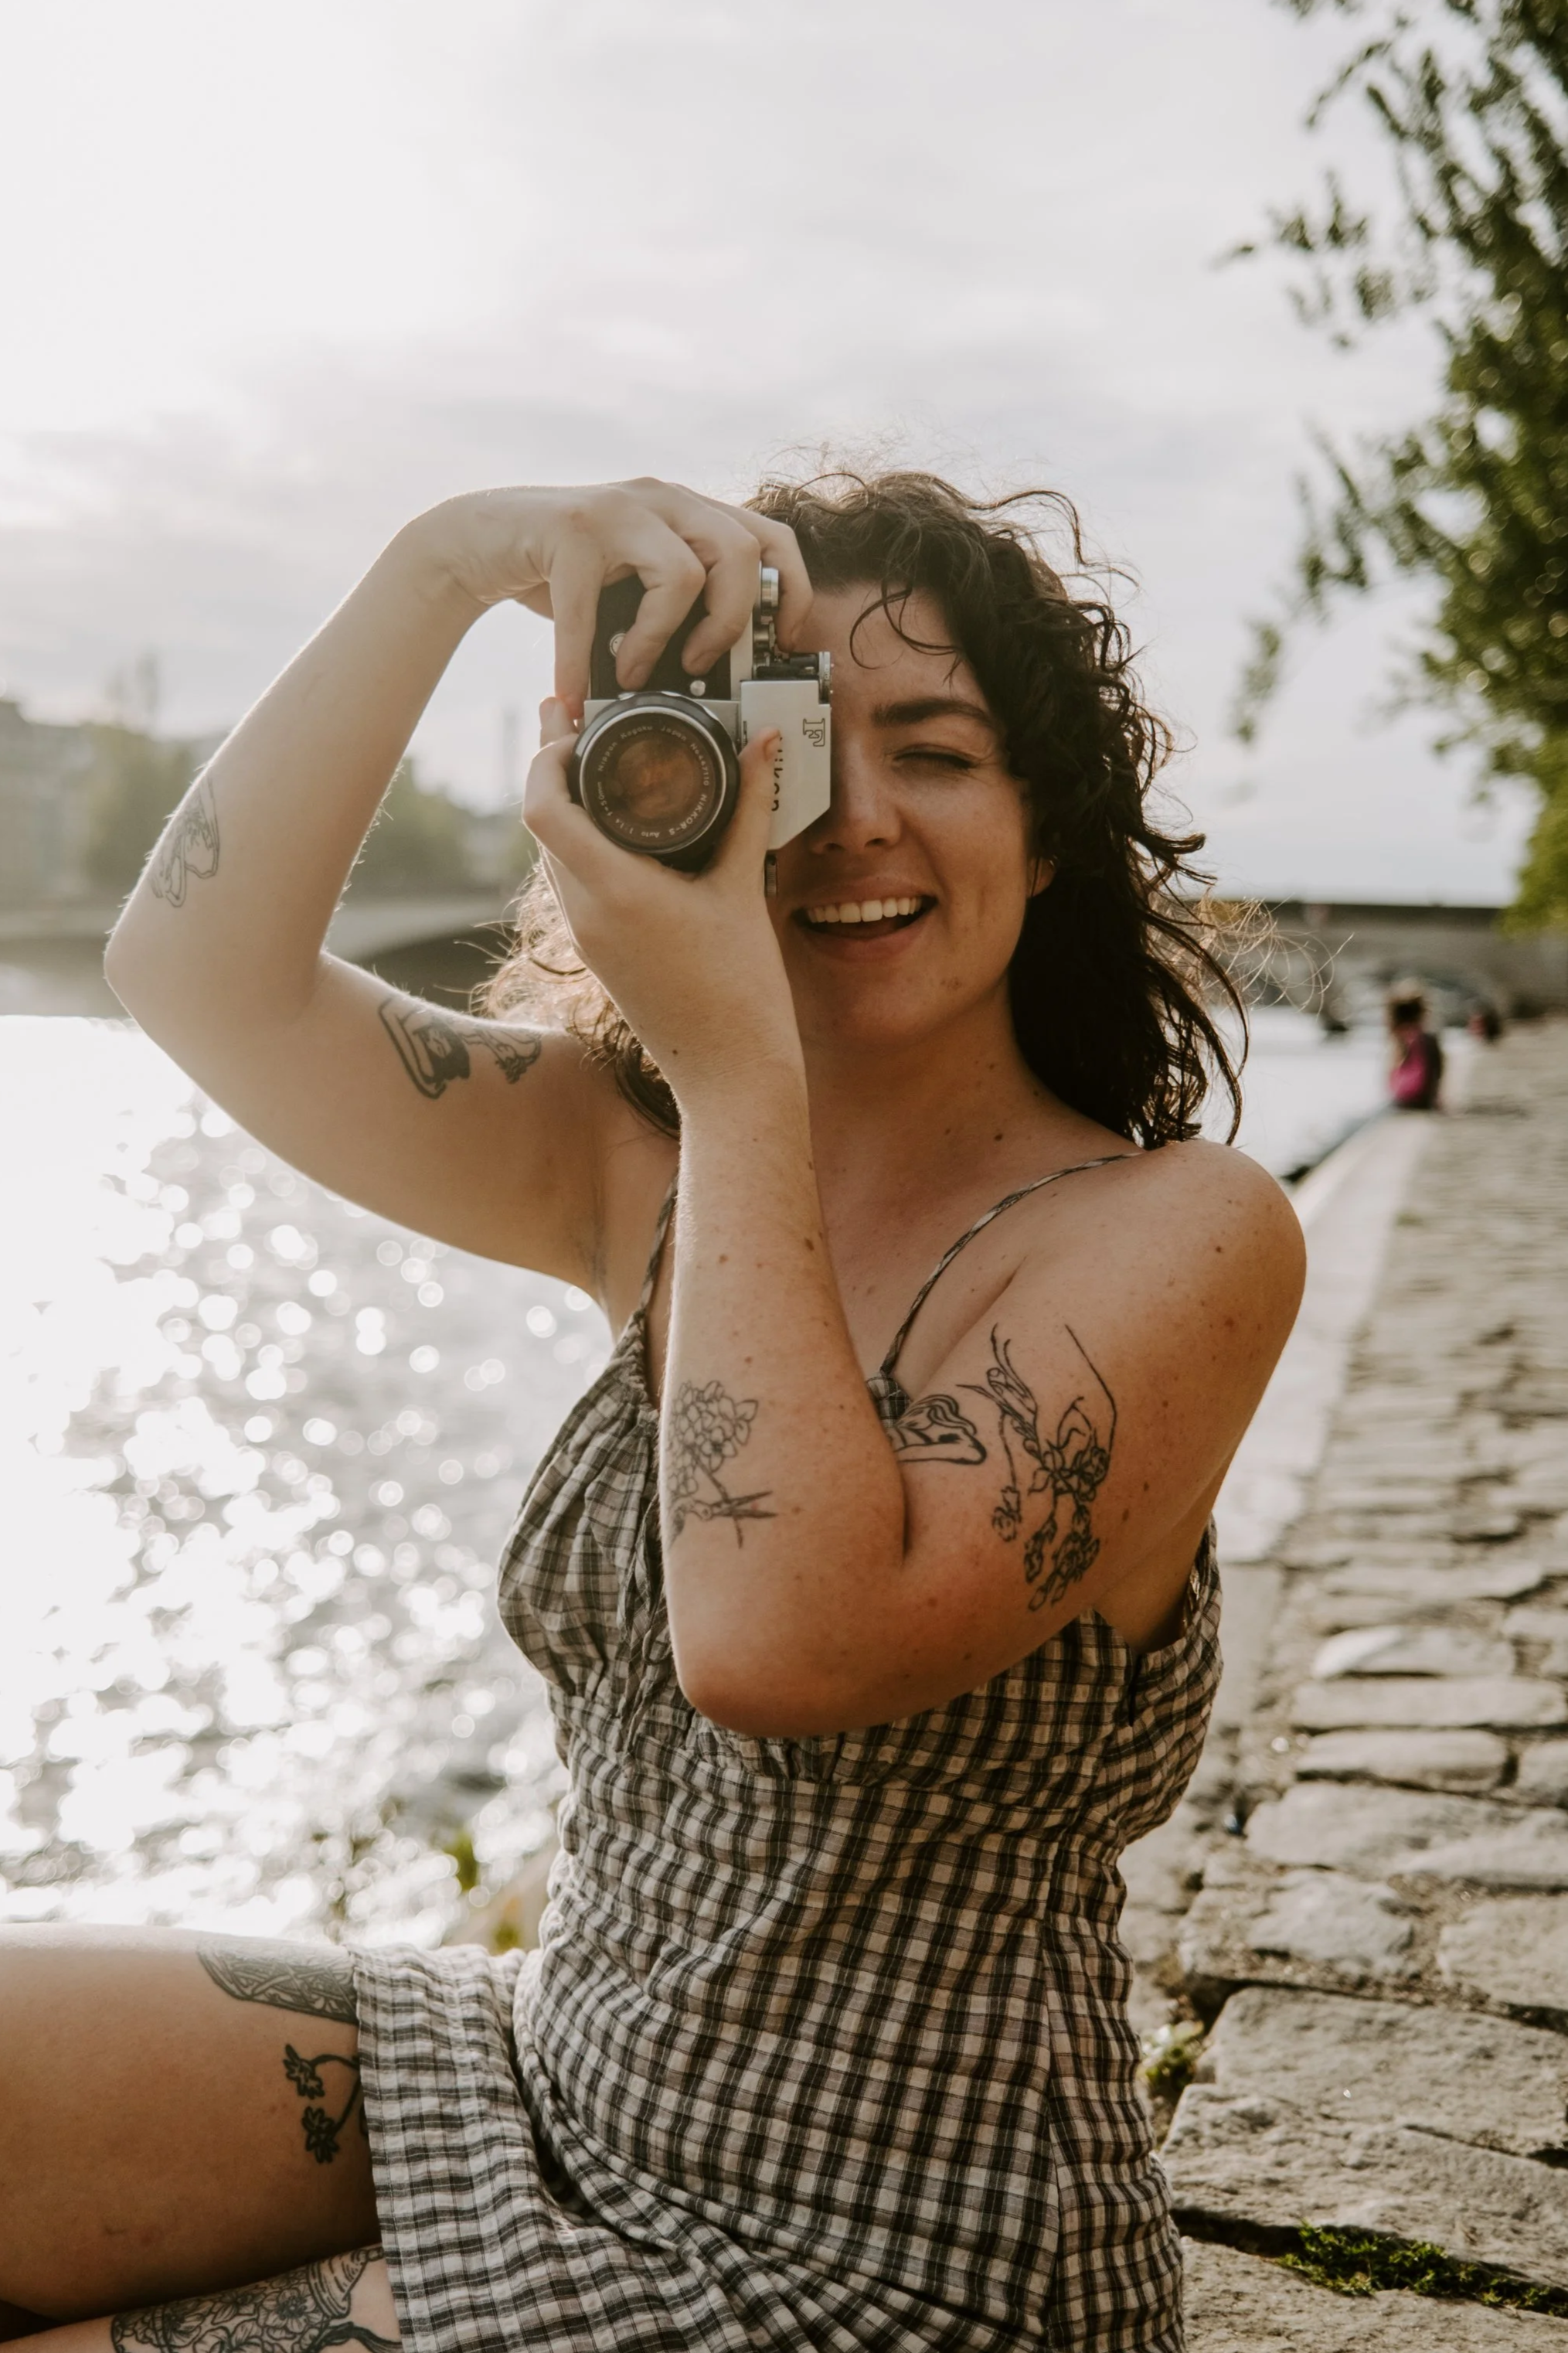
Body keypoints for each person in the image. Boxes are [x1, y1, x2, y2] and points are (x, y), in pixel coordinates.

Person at [1, 473, 1304, 2353]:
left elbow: (781, 1635)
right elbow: (191, 971)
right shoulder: (617, 1155)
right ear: (673, 770)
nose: (849, 814)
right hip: (543, 2075)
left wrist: (730, 1063)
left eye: (931, 749)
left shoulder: (1178, 1231)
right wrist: (447, 559)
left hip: (896, 2262)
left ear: (1044, 828)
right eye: (786, 743)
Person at [1386, 981, 1445, 1111]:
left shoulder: (1401, 1040)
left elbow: (1392, 1075)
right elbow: (1437, 1070)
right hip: (1423, 1097)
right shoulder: (1427, 1039)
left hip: (1406, 1097)